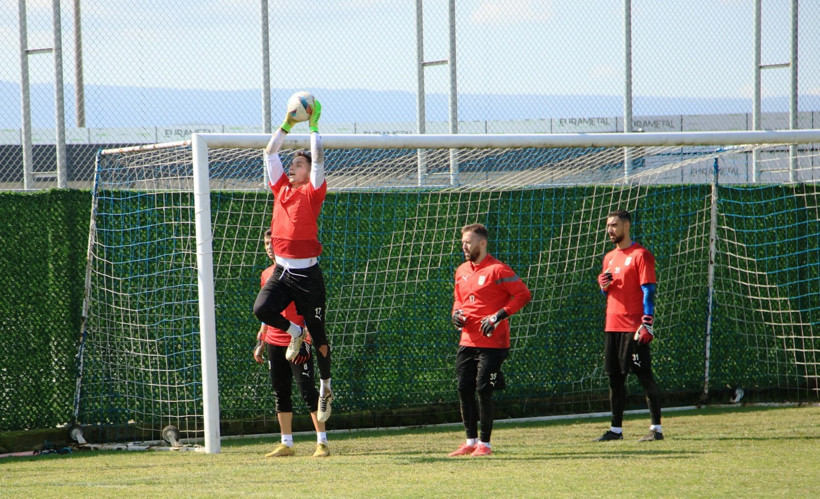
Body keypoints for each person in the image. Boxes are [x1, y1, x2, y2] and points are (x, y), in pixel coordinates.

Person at [253, 98, 334, 423]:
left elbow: (318, 159)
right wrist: (287, 123)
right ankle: (294, 330)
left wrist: (313, 124)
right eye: (293, 165)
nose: (292, 167)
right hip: (284, 272)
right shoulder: (281, 189)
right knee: (262, 309)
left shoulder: (312, 191)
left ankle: (326, 387)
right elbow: (269, 152)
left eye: (297, 164)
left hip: (308, 274)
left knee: (321, 336)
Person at [448, 223, 532, 457]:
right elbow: (458, 299)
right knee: (464, 389)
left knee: (483, 389)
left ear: (482, 243)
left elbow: (523, 295)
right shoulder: (461, 270)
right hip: (467, 341)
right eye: (463, 242)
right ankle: (470, 441)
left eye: (468, 242)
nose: (464, 246)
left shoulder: (498, 270)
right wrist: (456, 314)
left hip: (493, 343)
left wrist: (498, 316)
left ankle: (485, 444)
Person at [254, 229, 329, 458]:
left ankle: (322, 443)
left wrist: (307, 335)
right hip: (275, 341)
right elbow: (267, 312)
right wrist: (261, 340)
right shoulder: (267, 274)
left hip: (297, 342)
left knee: (307, 391)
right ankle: (286, 443)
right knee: (280, 392)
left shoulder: (299, 273)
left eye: (272, 243)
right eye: (266, 243)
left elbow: (309, 306)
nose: (269, 247)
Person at [594, 209, 663, 442]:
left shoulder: (641, 255)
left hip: (633, 328)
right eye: (608, 226)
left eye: (614, 225)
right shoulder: (609, 257)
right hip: (612, 326)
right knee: (615, 378)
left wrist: (647, 323)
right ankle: (615, 430)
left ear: (626, 227)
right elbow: (610, 291)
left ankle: (656, 429)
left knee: (644, 376)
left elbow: (649, 289)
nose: (610, 230)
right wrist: (603, 286)